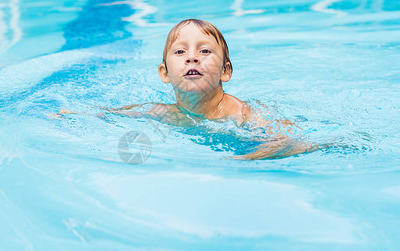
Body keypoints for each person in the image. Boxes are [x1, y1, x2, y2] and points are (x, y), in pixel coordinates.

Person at [58, 19, 319, 159]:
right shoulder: (163, 112)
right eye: (180, 51)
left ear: (225, 71)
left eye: (204, 51)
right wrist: (73, 114)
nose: (192, 58)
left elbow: (294, 141)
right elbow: (113, 113)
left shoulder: (240, 113)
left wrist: (247, 160)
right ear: (164, 73)